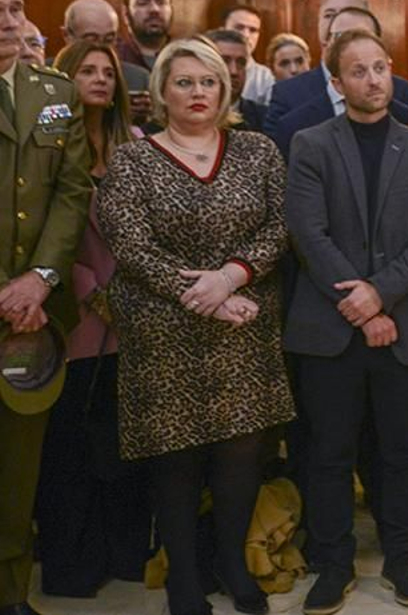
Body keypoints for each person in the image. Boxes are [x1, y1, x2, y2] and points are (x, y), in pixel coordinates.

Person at [97, 38, 295, 615]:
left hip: (243, 325)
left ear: (225, 89)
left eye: (208, 81)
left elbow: (279, 229)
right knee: (177, 462)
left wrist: (229, 280)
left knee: (241, 457)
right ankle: (184, 576)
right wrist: (201, 294)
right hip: (164, 331)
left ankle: (233, 563)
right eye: (183, 82)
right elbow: (129, 242)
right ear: (160, 93)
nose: (198, 92)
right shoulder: (132, 159)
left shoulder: (257, 152)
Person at [285, 29, 408, 613]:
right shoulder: (310, 144)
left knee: (404, 451)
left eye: (380, 67)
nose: (373, 79)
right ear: (337, 83)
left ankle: (403, 560)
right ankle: (333, 565)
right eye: (357, 71)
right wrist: (358, 307)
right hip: (329, 331)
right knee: (329, 452)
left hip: (403, 326)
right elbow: (309, 233)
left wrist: (378, 296)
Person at [33, 41, 152, 598]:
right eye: (87, 70)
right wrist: (86, 286)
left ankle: (125, 553)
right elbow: (34, 230)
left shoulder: (137, 145)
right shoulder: (46, 144)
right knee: (70, 447)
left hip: (133, 318)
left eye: (108, 72)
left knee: (124, 443)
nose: (101, 79)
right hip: (70, 315)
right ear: (63, 77)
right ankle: (74, 564)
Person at [0, 0, 93, 615]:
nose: (9, 23)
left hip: (32, 317)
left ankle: (12, 596)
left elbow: (71, 191)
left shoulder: (54, 92)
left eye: (15, 9)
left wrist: (40, 278)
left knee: (17, 471)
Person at [265, 0, 406, 138]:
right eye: (329, 15)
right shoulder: (287, 93)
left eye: (349, 12)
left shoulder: (399, 90)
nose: (339, 20)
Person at [205, 29, 268, 132]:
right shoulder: (189, 116)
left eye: (241, 62)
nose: (234, 71)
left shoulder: (264, 118)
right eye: (225, 61)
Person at [115, 0, 174, 71]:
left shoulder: (187, 56)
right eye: (143, 3)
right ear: (125, 14)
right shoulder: (115, 60)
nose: (154, 9)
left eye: (161, 2)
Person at [223, 4, 276, 104]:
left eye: (253, 30)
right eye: (239, 28)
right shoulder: (204, 68)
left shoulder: (264, 77)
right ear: (223, 29)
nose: (246, 35)